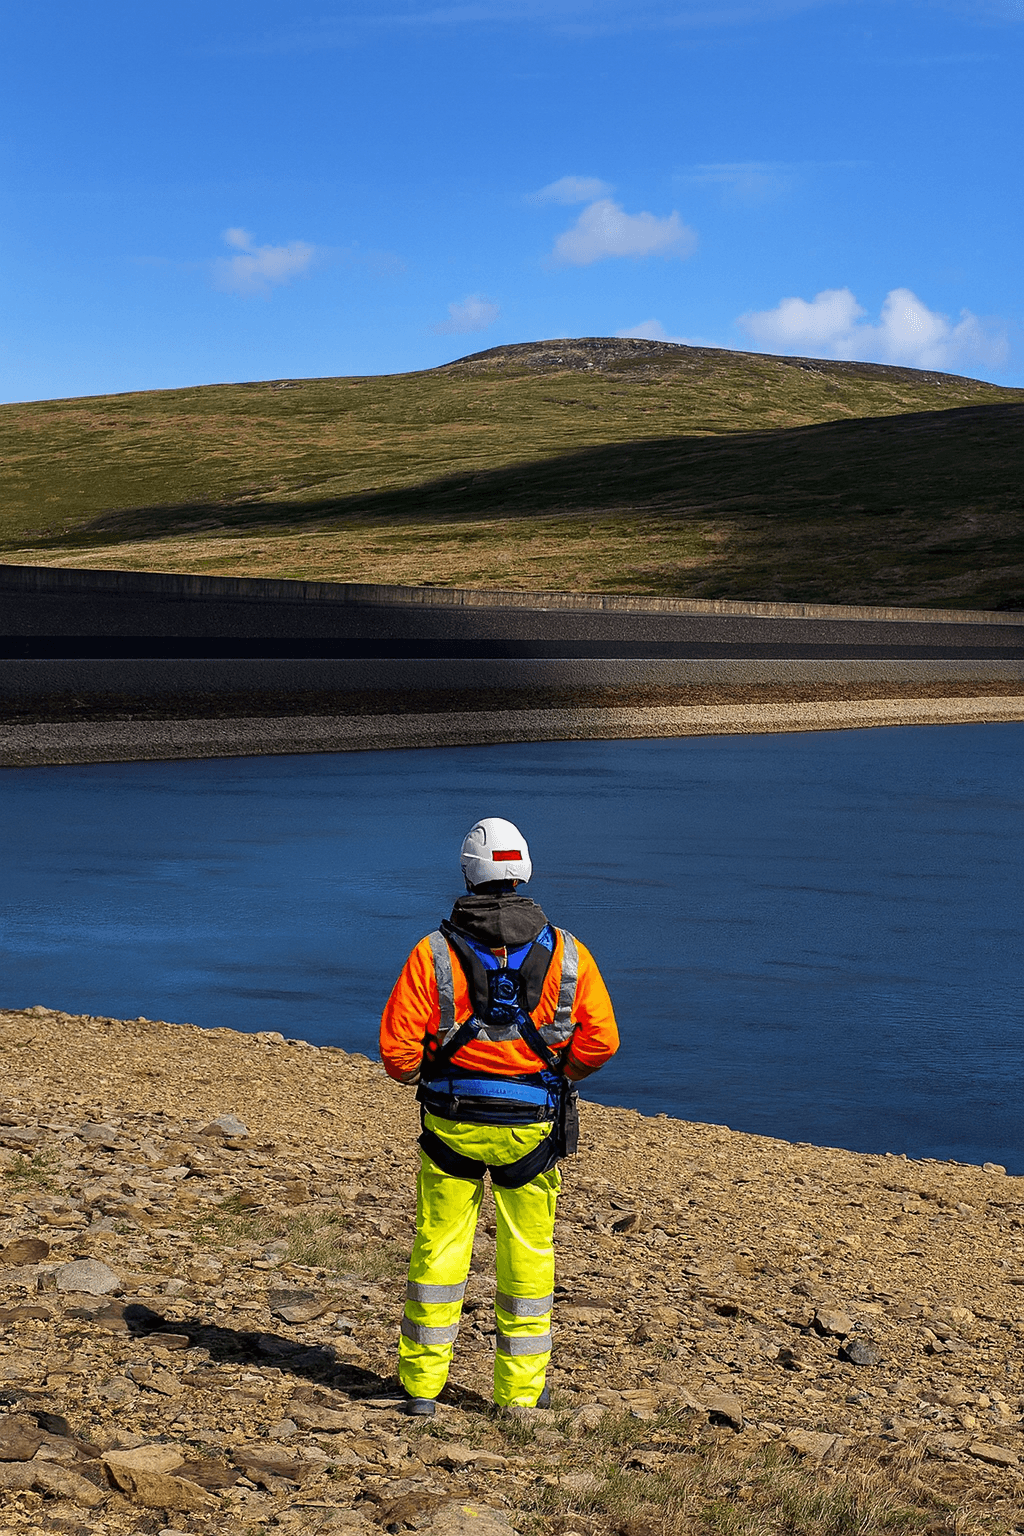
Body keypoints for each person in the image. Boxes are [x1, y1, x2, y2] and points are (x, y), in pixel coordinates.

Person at [379, 816, 619, 1415]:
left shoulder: (431, 952)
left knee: (439, 1249)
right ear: (523, 872)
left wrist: (435, 1065)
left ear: (468, 871)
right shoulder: (568, 952)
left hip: (450, 1126)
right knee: (529, 1256)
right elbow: (602, 1042)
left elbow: (398, 1056)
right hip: (532, 1132)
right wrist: (558, 1072)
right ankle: (516, 1399)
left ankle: (421, 1392)